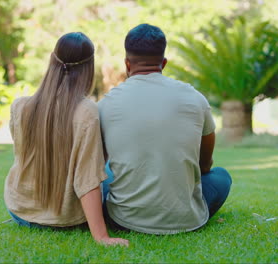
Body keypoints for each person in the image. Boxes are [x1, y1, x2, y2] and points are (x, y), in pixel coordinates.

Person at [98, 24, 232, 234]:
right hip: (187, 219)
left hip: (124, 219)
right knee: (221, 177)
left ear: (127, 64)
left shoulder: (106, 104)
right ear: (164, 63)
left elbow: (96, 168)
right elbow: (205, 166)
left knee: (106, 170)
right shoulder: (195, 98)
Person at [4, 32, 128, 246]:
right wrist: (102, 237)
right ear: (89, 67)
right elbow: (87, 178)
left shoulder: (19, 107)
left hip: (21, 212)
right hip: (67, 219)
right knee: (107, 170)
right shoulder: (87, 111)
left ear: (52, 58)